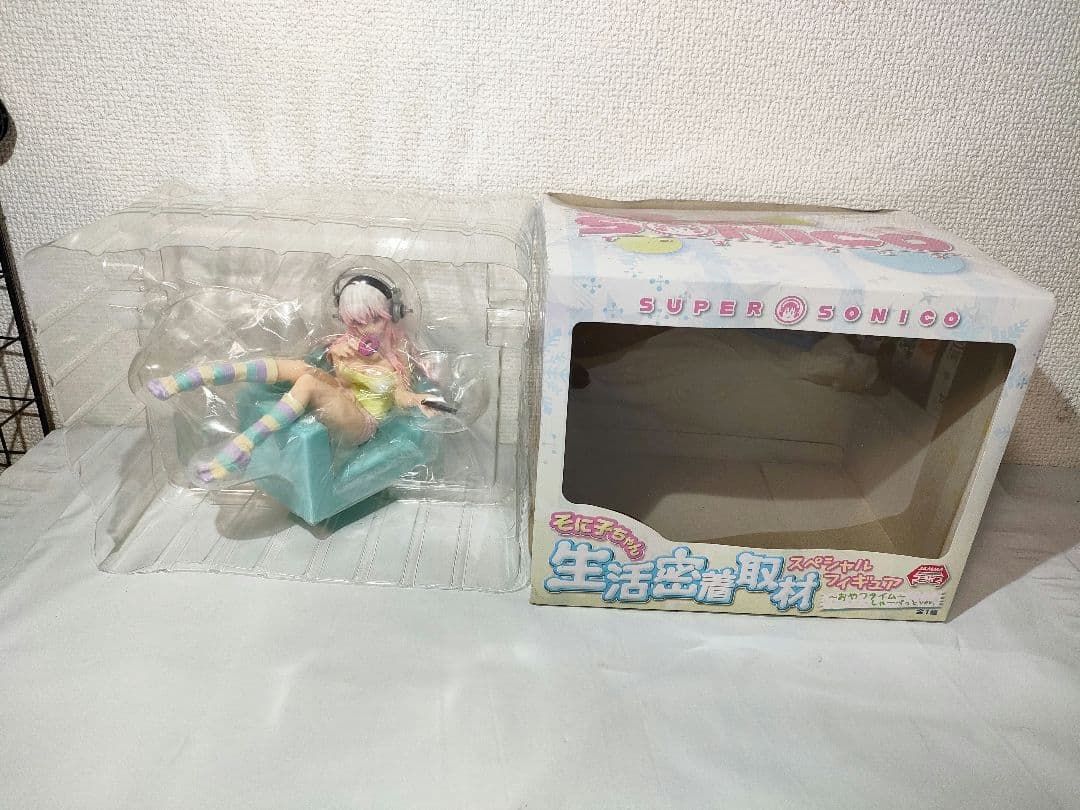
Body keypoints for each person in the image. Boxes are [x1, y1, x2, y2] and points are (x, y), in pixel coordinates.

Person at [147, 270, 436, 484]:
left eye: (373, 319)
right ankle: (196, 376)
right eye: (355, 322)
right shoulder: (346, 345)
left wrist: (420, 400)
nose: (364, 330)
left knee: (308, 383)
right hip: (342, 396)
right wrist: (339, 354)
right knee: (296, 368)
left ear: (391, 314)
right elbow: (339, 377)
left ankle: (245, 446)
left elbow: (400, 396)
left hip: (363, 422)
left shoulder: (397, 356)